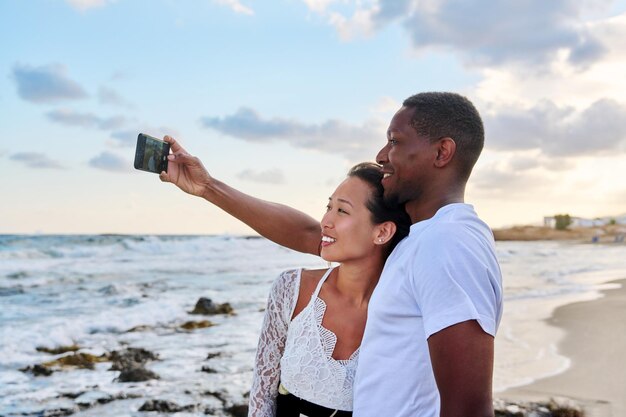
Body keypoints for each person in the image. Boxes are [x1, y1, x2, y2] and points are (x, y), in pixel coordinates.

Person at [160, 91, 503, 417]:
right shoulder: (418, 242)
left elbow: (469, 409)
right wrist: (207, 187)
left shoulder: (448, 243)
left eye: (395, 141)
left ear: (442, 152)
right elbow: (312, 234)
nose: (382, 154)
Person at [161, 151, 410, 416]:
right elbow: (262, 395)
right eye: (329, 207)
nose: (325, 221)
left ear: (382, 231)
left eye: (342, 210)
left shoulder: (408, 313)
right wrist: (207, 186)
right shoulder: (292, 289)